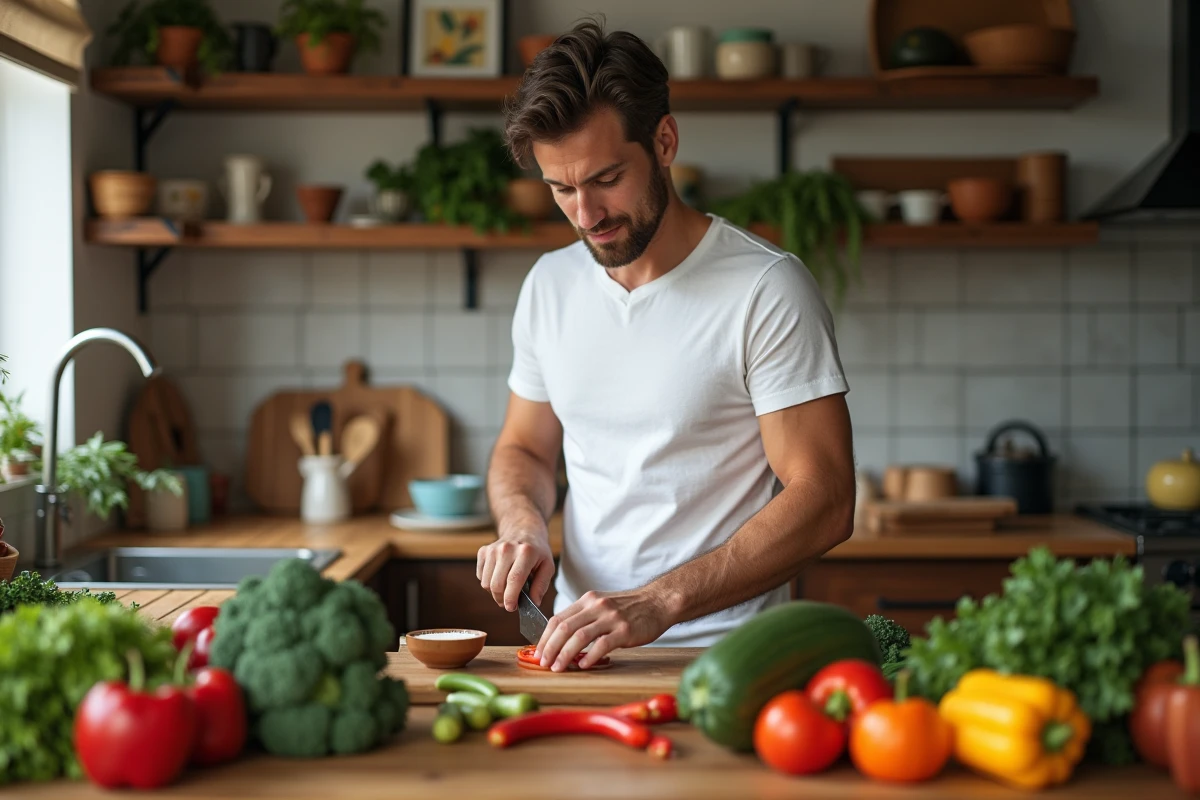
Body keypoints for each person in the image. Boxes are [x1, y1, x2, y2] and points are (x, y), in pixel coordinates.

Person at [475, 18, 856, 672]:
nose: (586, 215)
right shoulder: (550, 285)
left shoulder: (765, 288)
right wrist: (522, 526)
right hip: (574, 650)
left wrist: (658, 602)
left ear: (665, 141)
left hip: (728, 662)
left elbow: (825, 498)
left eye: (605, 178)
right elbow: (524, 449)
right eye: (562, 189)